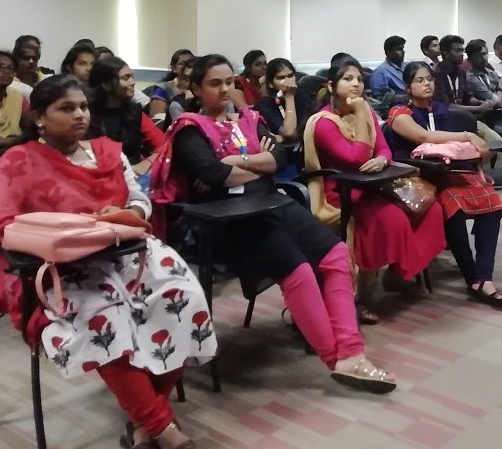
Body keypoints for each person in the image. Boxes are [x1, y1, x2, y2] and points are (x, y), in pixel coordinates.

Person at [0, 75, 215, 449]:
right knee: (105, 319)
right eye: (66, 108)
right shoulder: (17, 162)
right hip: (62, 271)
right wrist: (68, 230)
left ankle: (142, 422)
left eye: (83, 107)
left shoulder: (107, 153)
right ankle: (161, 425)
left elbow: (140, 199)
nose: (80, 115)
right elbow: (0, 225)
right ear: (39, 117)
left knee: (185, 299)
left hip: (127, 254)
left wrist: (127, 213)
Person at [153, 55, 396, 392]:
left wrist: (238, 160)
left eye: (229, 82)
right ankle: (338, 359)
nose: (224, 89)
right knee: (299, 270)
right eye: (214, 83)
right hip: (228, 223)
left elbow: (280, 158)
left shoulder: (249, 119)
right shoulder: (189, 129)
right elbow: (214, 173)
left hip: (271, 205)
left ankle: (351, 349)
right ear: (195, 88)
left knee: (336, 253)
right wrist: (256, 164)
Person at [303, 57, 446, 323]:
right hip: (343, 193)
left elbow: (383, 148)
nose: (356, 84)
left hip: (374, 187)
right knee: (390, 219)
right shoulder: (323, 122)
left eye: (359, 79)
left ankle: (397, 275)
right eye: (348, 79)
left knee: (430, 209)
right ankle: (362, 297)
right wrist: (360, 112)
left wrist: (381, 159)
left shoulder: (365, 112)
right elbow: (356, 158)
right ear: (331, 86)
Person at [385, 62, 502, 308]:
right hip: (413, 177)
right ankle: (473, 277)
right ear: (408, 86)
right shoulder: (399, 112)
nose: (427, 84)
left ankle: (483, 276)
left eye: (430, 79)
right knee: (454, 206)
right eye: (420, 80)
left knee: (491, 202)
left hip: (444, 173)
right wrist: (467, 135)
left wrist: (475, 166)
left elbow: (452, 150)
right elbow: (423, 137)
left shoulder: (440, 110)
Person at [87, 57, 165, 182]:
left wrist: (146, 162)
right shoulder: (87, 116)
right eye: (126, 78)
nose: (133, 82)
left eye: (132, 76)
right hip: (99, 178)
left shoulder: (135, 112)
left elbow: (164, 145)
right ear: (106, 84)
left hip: (133, 176)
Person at [464, 39, 502, 141]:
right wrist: (501, 96)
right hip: (490, 118)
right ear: (470, 59)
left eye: (485, 54)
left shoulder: (490, 72)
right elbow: (495, 98)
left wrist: (501, 96)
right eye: (478, 55)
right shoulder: (471, 77)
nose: (484, 58)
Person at [253, 58, 299, 142]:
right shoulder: (264, 105)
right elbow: (289, 132)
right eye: (281, 78)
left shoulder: (302, 94)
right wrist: (289, 97)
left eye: (290, 76)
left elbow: (308, 129)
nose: (287, 81)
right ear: (271, 83)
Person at [148, 49, 194, 125]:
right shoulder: (163, 89)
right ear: (173, 68)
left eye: (190, 63)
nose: (186, 67)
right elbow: (157, 121)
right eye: (182, 64)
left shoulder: (200, 88)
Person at [369, 36, 406, 101]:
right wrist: (408, 97)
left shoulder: (407, 66)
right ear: (388, 52)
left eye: (403, 49)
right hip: (398, 105)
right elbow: (381, 99)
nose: (403, 52)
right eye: (399, 49)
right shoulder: (380, 72)